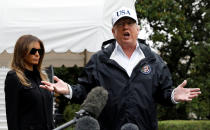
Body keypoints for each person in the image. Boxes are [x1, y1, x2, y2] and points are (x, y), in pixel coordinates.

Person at [40, 7, 201, 130]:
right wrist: (68, 89)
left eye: (130, 23)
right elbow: (85, 92)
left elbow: (163, 94)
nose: (125, 27)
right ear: (113, 31)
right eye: (120, 24)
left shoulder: (154, 60)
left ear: (137, 29)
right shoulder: (99, 60)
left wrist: (173, 95)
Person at [4, 35, 54, 130]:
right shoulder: (14, 77)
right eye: (33, 51)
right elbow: (12, 115)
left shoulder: (42, 77)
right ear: (22, 51)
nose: (37, 54)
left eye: (40, 51)